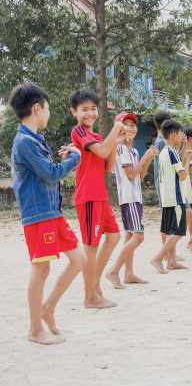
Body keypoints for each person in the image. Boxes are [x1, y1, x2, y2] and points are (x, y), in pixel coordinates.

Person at [10, 82, 84, 345]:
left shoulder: (33, 140)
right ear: (36, 108)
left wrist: (64, 158)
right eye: (48, 109)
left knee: (78, 260)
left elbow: (47, 171)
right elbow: (51, 173)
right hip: (39, 215)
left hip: (51, 211)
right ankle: (34, 330)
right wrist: (74, 159)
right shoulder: (24, 142)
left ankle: (48, 308)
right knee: (40, 271)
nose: (48, 114)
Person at [70, 89, 126, 309]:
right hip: (88, 197)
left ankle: (94, 285)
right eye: (84, 109)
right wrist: (115, 129)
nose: (90, 113)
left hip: (99, 196)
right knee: (91, 246)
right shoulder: (79, 132)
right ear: (74, 112)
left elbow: (108, 165)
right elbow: (101, 152)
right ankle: (90, 296)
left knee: (113, 237)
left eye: (93, 109)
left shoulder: (96, 137)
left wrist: (117, 142)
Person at [106, 112, 158, 289]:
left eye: (133, 124)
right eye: (126, 124)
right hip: (129, 198)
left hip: (135, 197)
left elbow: (140, 175)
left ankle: (128, 273)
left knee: (129, 235)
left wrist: (148, 158)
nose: (131, 127)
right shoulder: (120, 149)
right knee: (139, 237)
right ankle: (113, 271)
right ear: (119, 128)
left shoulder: (133, 150)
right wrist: (145, 157)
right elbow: (130, 174)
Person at [151, 120, 192, 274]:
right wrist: (187, 161)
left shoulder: (163, 153)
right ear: (174, 134)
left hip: (167, 197)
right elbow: (182, 176)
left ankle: (172, 261)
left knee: (170, 231)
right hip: (176, 197)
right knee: (178, 231)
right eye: (180, 133)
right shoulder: (171, 152)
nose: (181, 136)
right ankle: (158, 258)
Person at [153, 110, 170, 244]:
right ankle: (167, 250)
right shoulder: (162, 142)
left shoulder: (159, 141)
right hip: (165, 182)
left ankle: (168, 250)